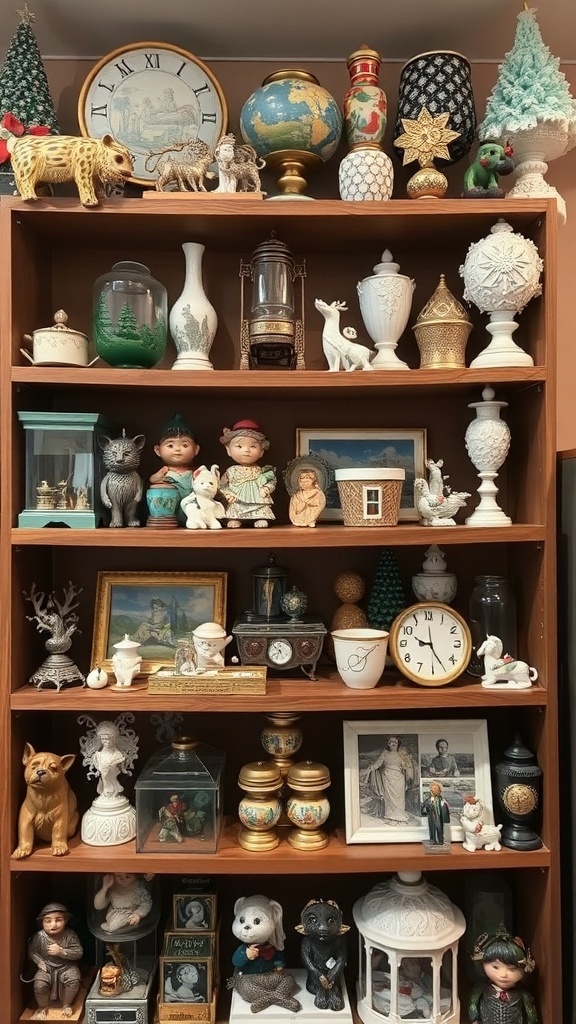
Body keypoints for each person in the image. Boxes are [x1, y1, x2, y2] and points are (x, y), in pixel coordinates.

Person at [27, 903, 83, 1019]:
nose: (53, 925)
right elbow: (32, 951)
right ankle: (42, 1007)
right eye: (48, 921)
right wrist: (39, 962)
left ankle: (67, 1004)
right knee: (39, 984)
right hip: (46, 966)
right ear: (42, 922)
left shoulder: (70, 935)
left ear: (65, 920)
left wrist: (62, 951)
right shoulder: (39, 937)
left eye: (58, 920)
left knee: (73, 980)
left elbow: (78, 952)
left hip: (67, 966)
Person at [469, 928, 538, 1023]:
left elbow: (530, 1013)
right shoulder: (482, 988)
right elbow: (473, 1003)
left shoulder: (522, 993)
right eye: (495, 967)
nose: (503, 975)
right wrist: (474, 1019)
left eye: (512, 969)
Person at [219, 420, 276, 528]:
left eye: (253, 447)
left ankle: (260, 517)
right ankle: (234, 518)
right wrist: (227, 494)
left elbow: (271, 481)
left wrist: (267, 488)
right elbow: (222, 484)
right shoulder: (231, 470)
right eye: (239, 446)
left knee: (261, 507)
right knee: (234, 506)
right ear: (228, 450)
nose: (246, 450)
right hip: (237, 499)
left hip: (257, 499)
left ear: (261, 452)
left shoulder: (261, 470)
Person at [149, 414, 200, 509]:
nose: (177, 449)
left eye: (184, 445)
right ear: (158, 450)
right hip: (169, 508)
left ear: (196, 449)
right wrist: (157, 478)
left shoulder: (196, 473)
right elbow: (153, 480)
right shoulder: (164, 471)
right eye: (170, 446)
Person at [364, 735, 416, 824]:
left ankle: (400, 815)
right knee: (389, 799)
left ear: (398, 743)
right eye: (391, 742)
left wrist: (409, 774)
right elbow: (377, 764)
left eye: (395, 742)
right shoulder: (385, 753)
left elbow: (407, 766)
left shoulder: (402, 754)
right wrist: (369, 769)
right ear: (388, 743)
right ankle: (390, 816)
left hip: (399, 779)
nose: (393, 744)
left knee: (399, 798)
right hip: (387, 778)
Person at [91, 721, 126, 799]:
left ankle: (114, 793)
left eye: (108, 739)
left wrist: (123, 769)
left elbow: (121, 766)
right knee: (104, 782)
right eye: (103, 739)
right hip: (104, 779)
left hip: (112, 776)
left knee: (112, 782)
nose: (105, 741)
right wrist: (98, 771)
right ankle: (105, 793)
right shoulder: (98, 755)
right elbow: (98, 767)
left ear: (113, 739)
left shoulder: (117, 754)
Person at [421, 781, 451, 845]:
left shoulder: (442, 801)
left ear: (439, 791)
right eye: (433, 789)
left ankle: (440, 841)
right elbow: (423, 810)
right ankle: (433, 840)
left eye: (436, 789)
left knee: (440, 828)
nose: (434, 791)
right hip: (432, 817)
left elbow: (445, 809)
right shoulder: (428, 800)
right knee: (432, 829)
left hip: (439, 817)